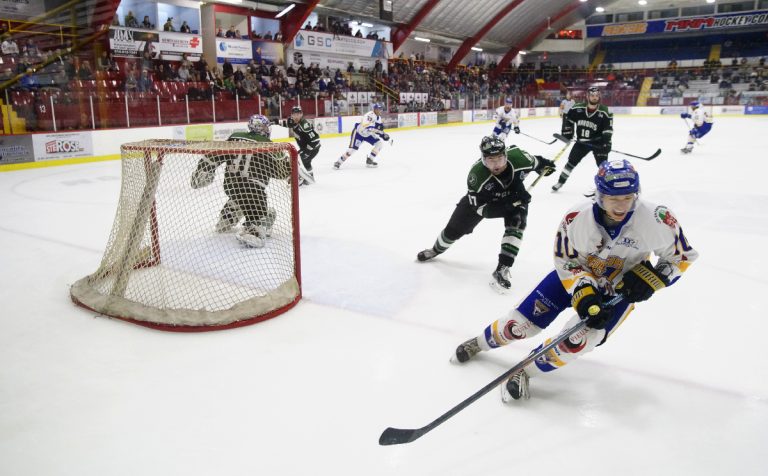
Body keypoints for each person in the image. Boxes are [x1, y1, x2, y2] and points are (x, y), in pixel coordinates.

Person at [451, 159, 698, 401]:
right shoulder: (576, 217)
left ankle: (525, 371)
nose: (621, 205)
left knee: (576, 341)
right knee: (517, 327)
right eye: (613, 198)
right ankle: (479, 343)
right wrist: (583, 289)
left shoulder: (657, 218)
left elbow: (682, 256)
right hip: (572, 278)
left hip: (619, 290)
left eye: (627, 197)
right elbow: (565, 259)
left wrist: (651, 278)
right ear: (600, 195)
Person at [416, 136, 556, 291]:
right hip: (484, 202)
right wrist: (509, 205)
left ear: (506, 155)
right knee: (453, 231)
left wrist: (545, 167)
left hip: (515, 194)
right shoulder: (477, 176)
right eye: (491, 160)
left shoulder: (520, 158)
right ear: (483, 160)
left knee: (517, 223)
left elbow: (538, 162)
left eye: (500, 159)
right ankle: (435, 250)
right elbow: (483, 210)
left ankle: (503, 267)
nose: (496, 165)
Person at [190, 114, 291, 248]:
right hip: (254, 192)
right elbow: (282, 172)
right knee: (262, 214)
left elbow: (215, 154)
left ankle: (229, 215)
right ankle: (259, 224)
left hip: (231, 186)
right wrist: (291, 169)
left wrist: (204, 169)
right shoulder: (270, 145)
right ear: (263, 129)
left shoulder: (234, 137)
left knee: (238, 198)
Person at [551, 86, 613, 192]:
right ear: (587, 96)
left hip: (598, 142)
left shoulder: (605, 111)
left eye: (596, 95)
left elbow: (608, 129)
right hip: (581, 142)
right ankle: (560, 182)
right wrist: (567, 133)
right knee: (571, 163)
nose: (594, 97)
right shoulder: (577, 108)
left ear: (599, 97)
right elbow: (568, 119)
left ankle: (608, 185)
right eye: (592, 95)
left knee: (603, 166)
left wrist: (607, 143)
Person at [334, 103, 390, 169]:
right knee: (352, 149)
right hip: (358, 133)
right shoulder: (369, 115)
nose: (381, 111)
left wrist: (383, 135)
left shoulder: (378, 118)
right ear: (375, 109)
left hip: (368, 134)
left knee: (379, 144)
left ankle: (370, 160)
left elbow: (379, 128)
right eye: (379, 109)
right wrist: (380, 132)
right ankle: (339, 162)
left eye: (381, 109)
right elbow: (369, 128)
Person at [284, 106, 320, 185]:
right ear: (291, 115)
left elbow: (316, 140)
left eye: (298, 114)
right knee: (306, 162)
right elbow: (290, 125)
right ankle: (310, 178)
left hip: (313, 148)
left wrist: (307, 151)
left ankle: (299, 179)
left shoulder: (304, 125)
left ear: (301, 114)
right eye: (294, 114)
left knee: (296, 160)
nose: (296, 116)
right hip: (306, 147)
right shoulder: (294, 122)